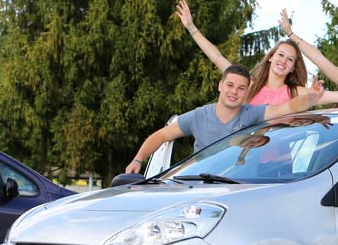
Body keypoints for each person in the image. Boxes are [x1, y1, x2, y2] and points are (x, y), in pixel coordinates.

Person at [176, 1, 338, 106]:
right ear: (271, 57)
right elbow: (217, 58)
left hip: (279, 162)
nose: (284, 60)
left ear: (294, 67)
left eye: (290, 59)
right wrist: (192, 28)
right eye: (281, 55)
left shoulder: (295, 91)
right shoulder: (249, 85)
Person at [125, 64, 324, 173]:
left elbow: (287, 107)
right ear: (220, 85)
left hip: (239, 187)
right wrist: (137, 159)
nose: (234, 92)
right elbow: (162, 135)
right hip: (201, 185)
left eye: (241, 88)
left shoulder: (251, 114)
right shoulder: (199, 116)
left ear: (247, 92)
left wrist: (310, 98)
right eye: (230, 85)